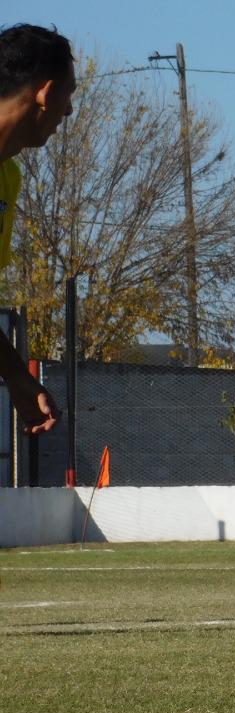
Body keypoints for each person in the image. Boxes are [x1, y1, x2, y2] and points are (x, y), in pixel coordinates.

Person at [0, 23, 73, 436]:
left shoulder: (8, 179)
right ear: (45, 92)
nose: (69, 111)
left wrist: (17, 377)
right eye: (70, 94)